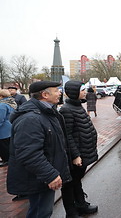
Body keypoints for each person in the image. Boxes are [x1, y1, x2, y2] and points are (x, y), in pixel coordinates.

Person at [7, 81, 71, 218]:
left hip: (41, 176)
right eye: (56, 90)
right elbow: (29, 153)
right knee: (41, 212)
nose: (60, 92)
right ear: (45, 95)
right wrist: (50, 175)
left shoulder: (47, 112)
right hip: (38, 177)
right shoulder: (31, 118)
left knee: (41, 210)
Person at [60, 80, 98, 217]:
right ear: (73, 92)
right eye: (82, 90)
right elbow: (67, 135)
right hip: (78, 155)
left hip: (84, 151)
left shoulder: (77, 106)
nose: (84, 92)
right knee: (69, 184)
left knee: (76, 181)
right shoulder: (66, 110)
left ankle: (81, 204)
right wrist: (76, 155)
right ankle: (71, 212)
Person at [0, 89, 16, 167]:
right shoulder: (11, 103)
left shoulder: (2, 105)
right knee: (7, 144)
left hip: (3, 129)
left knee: (3, 145)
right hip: (9, 127)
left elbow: (0, 118)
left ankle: (6, 160)